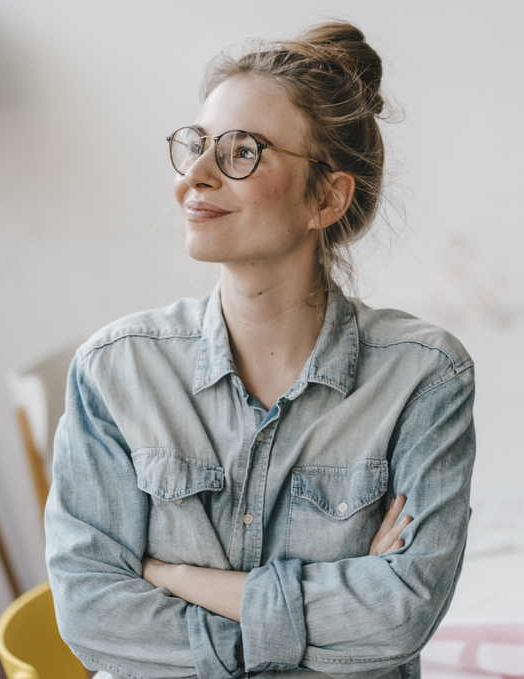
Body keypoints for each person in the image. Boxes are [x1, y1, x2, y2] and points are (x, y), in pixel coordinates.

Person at [45, 21, 475, 679]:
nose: (195, 175)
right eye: (196, 145)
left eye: (242, 151)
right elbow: (90, 615)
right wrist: (334, 610)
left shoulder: (424, 377)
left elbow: (399, 617)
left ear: (327, 197)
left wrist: (174, 576)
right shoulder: (115, 369)